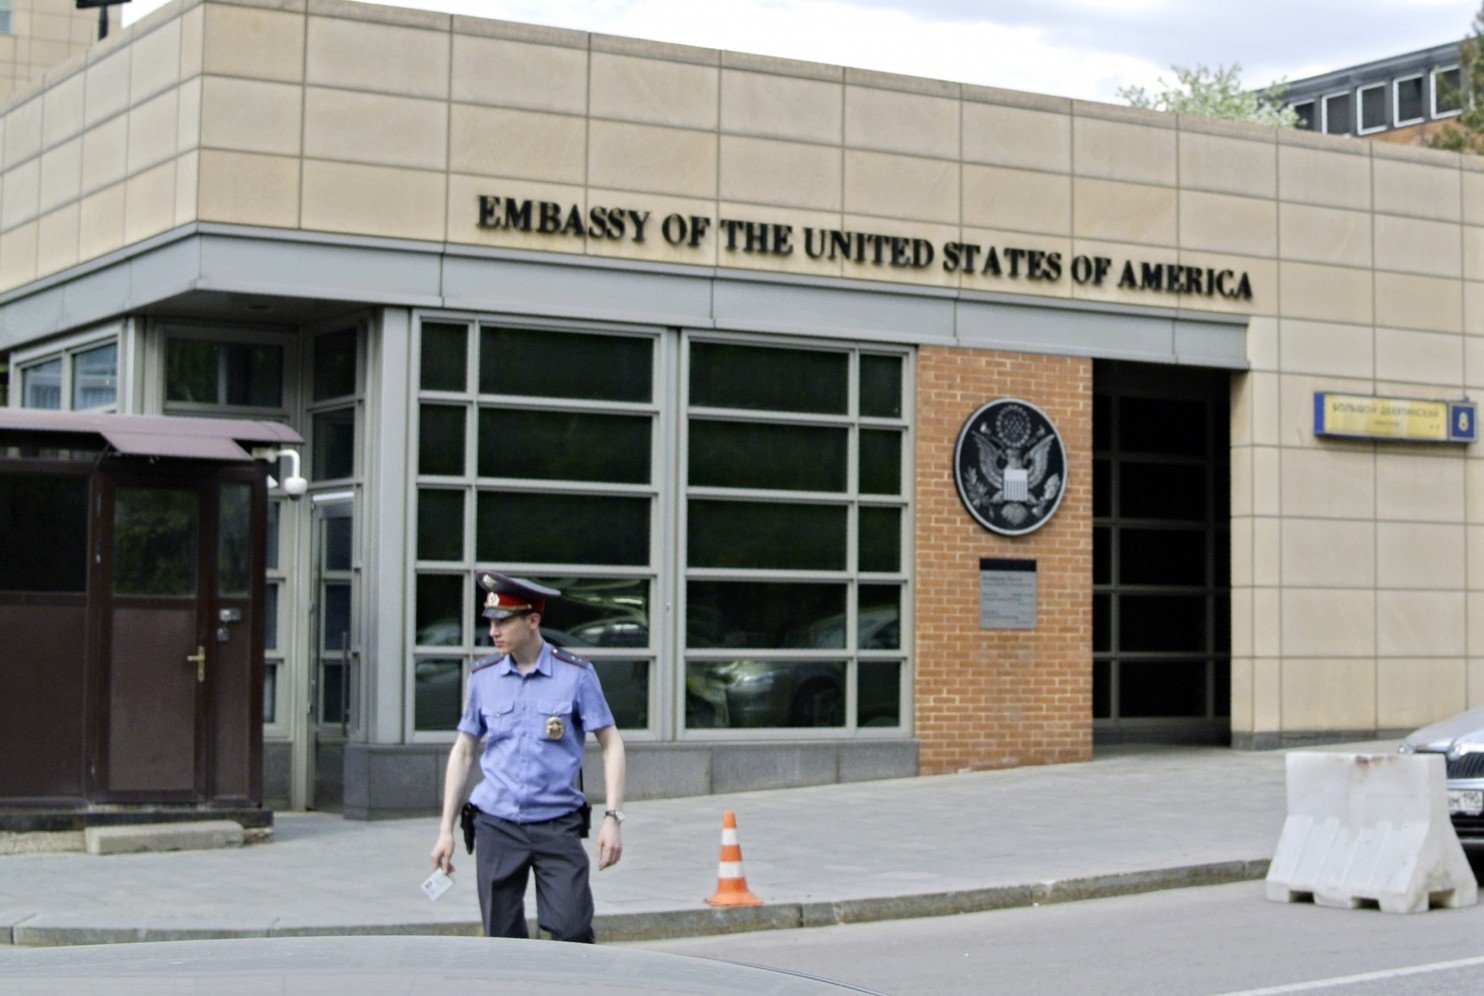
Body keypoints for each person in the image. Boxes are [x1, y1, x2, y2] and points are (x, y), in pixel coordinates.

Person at [430, 571, 626, 943]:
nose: (493, 632)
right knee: (502, 939)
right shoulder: (483, 677)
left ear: (532, 620)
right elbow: (465, 750)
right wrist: (445, 831)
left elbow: (611, 741)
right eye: (491, 622)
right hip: (496, 826)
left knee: (572, 930)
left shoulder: (576, 674)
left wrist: (613, 817)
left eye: (504, 622)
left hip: (557, 824)